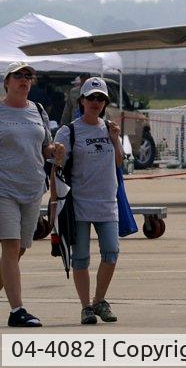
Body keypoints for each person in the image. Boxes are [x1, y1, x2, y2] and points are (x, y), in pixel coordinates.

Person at [0, 62, 65, 327]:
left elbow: (44, 147)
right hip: (4, 188)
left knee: (20, 250)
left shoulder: (37, 110)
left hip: (32, 188)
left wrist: (54, 150)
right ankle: (17, 311)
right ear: (7, 82)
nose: (24, 80)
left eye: (29, 76)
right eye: (18, 76)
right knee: (11, 246)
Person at [53, 77, 122, 325]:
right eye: (91, 97)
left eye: (100, 98)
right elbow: (56, 167)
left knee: (111, 252)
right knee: (80, 258)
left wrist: (115, 140)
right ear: (81, 101)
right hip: (80, 203)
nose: (95, 102)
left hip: (107, 203)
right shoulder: (69, 130)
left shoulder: (110, 128)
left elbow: (118, 162)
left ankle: (99, 300)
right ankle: (86, 307)